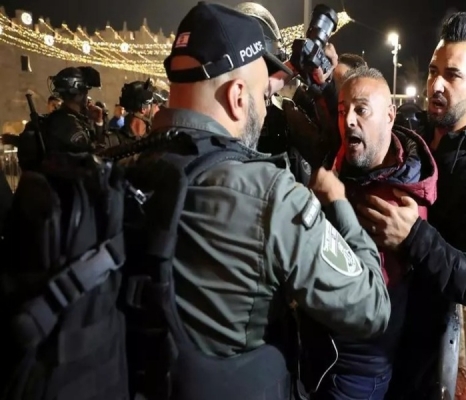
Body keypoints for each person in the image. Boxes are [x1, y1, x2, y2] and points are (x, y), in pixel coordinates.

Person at [145, 2, 391, 398]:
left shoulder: (132, 167)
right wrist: (341, 204)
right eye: (262, 93)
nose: (266, 104)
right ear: (238, 96)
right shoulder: (272, 198)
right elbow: (373, 307)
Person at [371, 12, 466, 398]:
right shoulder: (419, 132)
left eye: (452, 75)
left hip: (416, 358)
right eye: (433, 71)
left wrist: (415, 237)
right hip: (379, 326)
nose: (435, 84)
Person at [311, 66, 438, 400]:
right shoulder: (343, 162)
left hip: (358, 368)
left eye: (361, 110)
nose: (348, 120)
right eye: (342, 111)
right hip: (320, 352)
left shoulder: (399, 205)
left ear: (390, 116)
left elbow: (364, 297)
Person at [43, 66, 104, 153]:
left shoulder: (63, 118)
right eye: (85, 92)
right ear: (79, 95)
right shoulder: (67, 123)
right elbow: (94, 155)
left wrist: (98, 122)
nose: (87, 97)